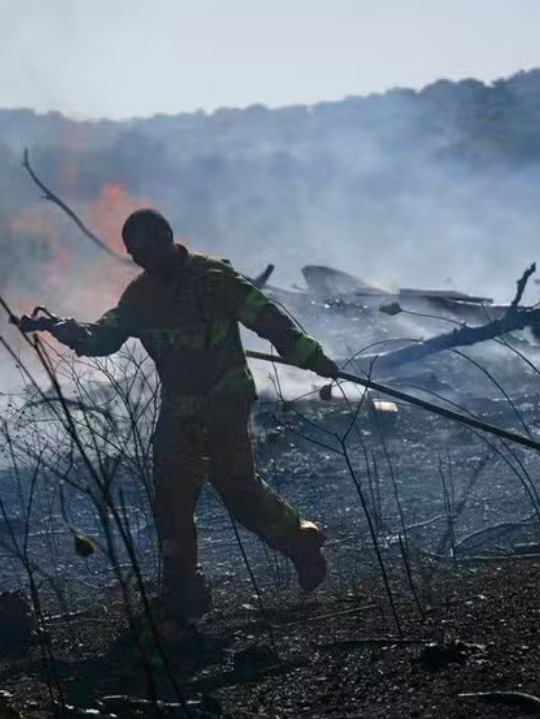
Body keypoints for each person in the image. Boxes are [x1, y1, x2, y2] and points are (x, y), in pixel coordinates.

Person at [48, 208, 340, 621]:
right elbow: (106, 334)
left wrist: (311, 356)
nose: (140, 261)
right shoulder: (140, 296)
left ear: (166, 237)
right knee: (170, 499)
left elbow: (268, 318)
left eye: (145, 250)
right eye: (133, 255)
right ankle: (183, 590)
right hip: (179, 407)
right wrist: (71, 331)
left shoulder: (214, 278)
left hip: (225, 399)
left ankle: (300, 544)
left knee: (236, 490)